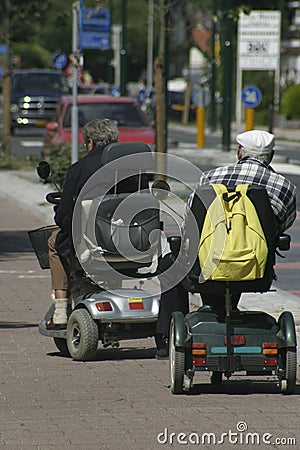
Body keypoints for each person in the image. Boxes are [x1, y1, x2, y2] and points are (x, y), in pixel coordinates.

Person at [155, 129, 297, 358]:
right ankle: (224, 308)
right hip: (255, 270)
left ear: (239, 152)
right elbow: (279, 228)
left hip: (206, 268)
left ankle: (166, 338)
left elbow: (191, 226)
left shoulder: (210, 178)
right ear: (270, 156)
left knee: (171, 264)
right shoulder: (284, 187)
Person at [46, 118, 119, 329]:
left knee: (54, 241)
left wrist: (62, 219)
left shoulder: (80, 168)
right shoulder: (129, 168)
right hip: (128, 241)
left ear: (89, 142)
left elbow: (63, 214)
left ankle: (60, 309)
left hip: (90, 242)